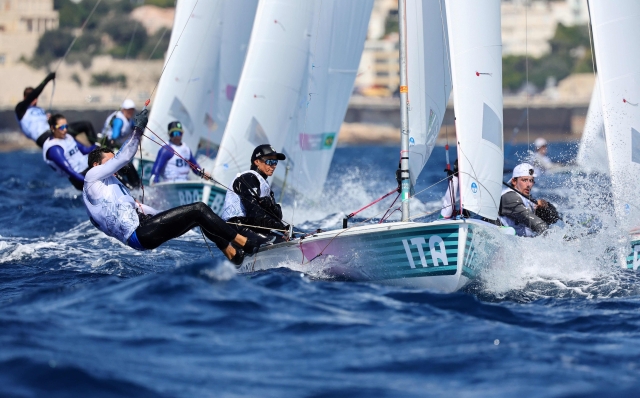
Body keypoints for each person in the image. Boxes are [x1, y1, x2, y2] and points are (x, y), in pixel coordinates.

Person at [83, 109, 259, 265]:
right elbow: (122, 157)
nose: (114, 163)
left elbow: (140, 207)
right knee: (199, 208)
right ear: (96, 165)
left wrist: (164, 218)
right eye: (109, 160)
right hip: (139, 234)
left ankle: (233, 254)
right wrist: (138, 130)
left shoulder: (110, 187)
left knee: (196, 216)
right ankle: (245, 242)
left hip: (144, 233)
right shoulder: (91, 178)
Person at [220, 144, 288, 241]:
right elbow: (254, 213)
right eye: (270, 161)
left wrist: (270, 206)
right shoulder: (248, 177)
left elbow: (277, 216)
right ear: (257, 162)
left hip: (251, 226)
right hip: (236, 227)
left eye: (275, 162)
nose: (274, 166)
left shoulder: (264, 183)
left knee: (288, 237)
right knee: (282, 240)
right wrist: (281, 227)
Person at [15, 73, 99, 147]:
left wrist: (51, 120)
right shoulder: (20, 109)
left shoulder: (39, 110)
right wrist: (47, 79)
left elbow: (49, 123)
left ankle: (98, 151)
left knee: (86, 125)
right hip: (43, 138)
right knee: (70, 144)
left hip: (54, 131)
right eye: (33, 98)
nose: (35, 100)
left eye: (36, 98)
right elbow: (35, 93)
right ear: (25, 98)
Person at [499, 163, 559, 237]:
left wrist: (545, 208)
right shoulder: (509, 198)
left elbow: (553, 219)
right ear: (514, 181)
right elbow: (537, 224)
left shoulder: (527, 198)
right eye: (524, 180)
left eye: (531, 180)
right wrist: (558, 238)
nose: (528, 185)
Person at [43, 114, 97, 190]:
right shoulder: (54, 148)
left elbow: (85, 151)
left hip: (90, 167)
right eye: (61, 127)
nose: (65, 129)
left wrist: (98, 146)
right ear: (52, 128)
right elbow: (70, 171)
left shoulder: (68, 137)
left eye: (66, 126)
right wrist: (89, 182)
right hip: (80, 176)